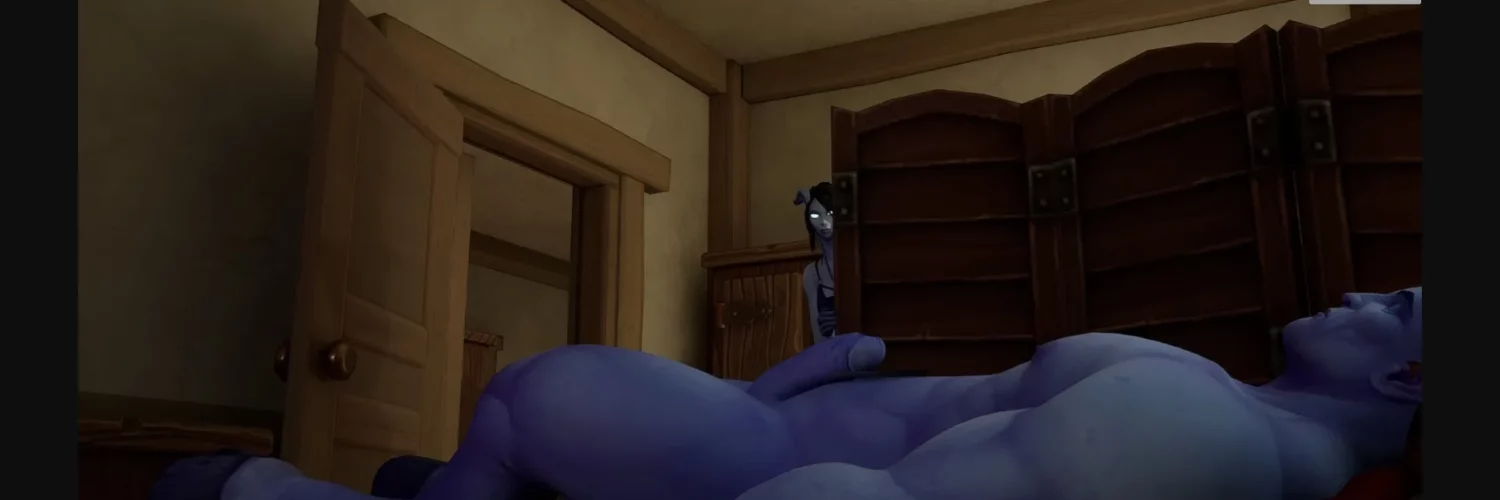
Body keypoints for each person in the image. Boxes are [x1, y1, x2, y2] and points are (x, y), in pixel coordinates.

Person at [154, 288, 1422, 500]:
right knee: (534, 403)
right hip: (762, 417)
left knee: (539, 392)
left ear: (1406, 374)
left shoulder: (1203, 432)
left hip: (757, 459)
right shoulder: (1230, 399)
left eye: (1403, 302)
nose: (1370, 287)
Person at [795, 183, 838, 343]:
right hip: (830, 352)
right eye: (815, 216)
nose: (823, 221)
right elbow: (818, 336)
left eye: (830, 213)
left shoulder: (857, 265)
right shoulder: (812, 274)